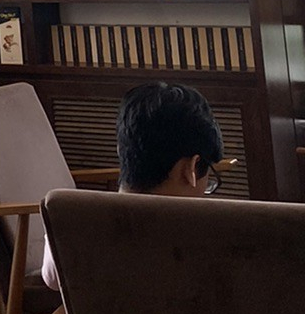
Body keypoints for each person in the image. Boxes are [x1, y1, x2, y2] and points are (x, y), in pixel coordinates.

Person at [44, 81, 224, 291]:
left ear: (121, 151)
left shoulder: (71, 221)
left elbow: (51, 279)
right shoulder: (203, 235)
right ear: (191, 168)